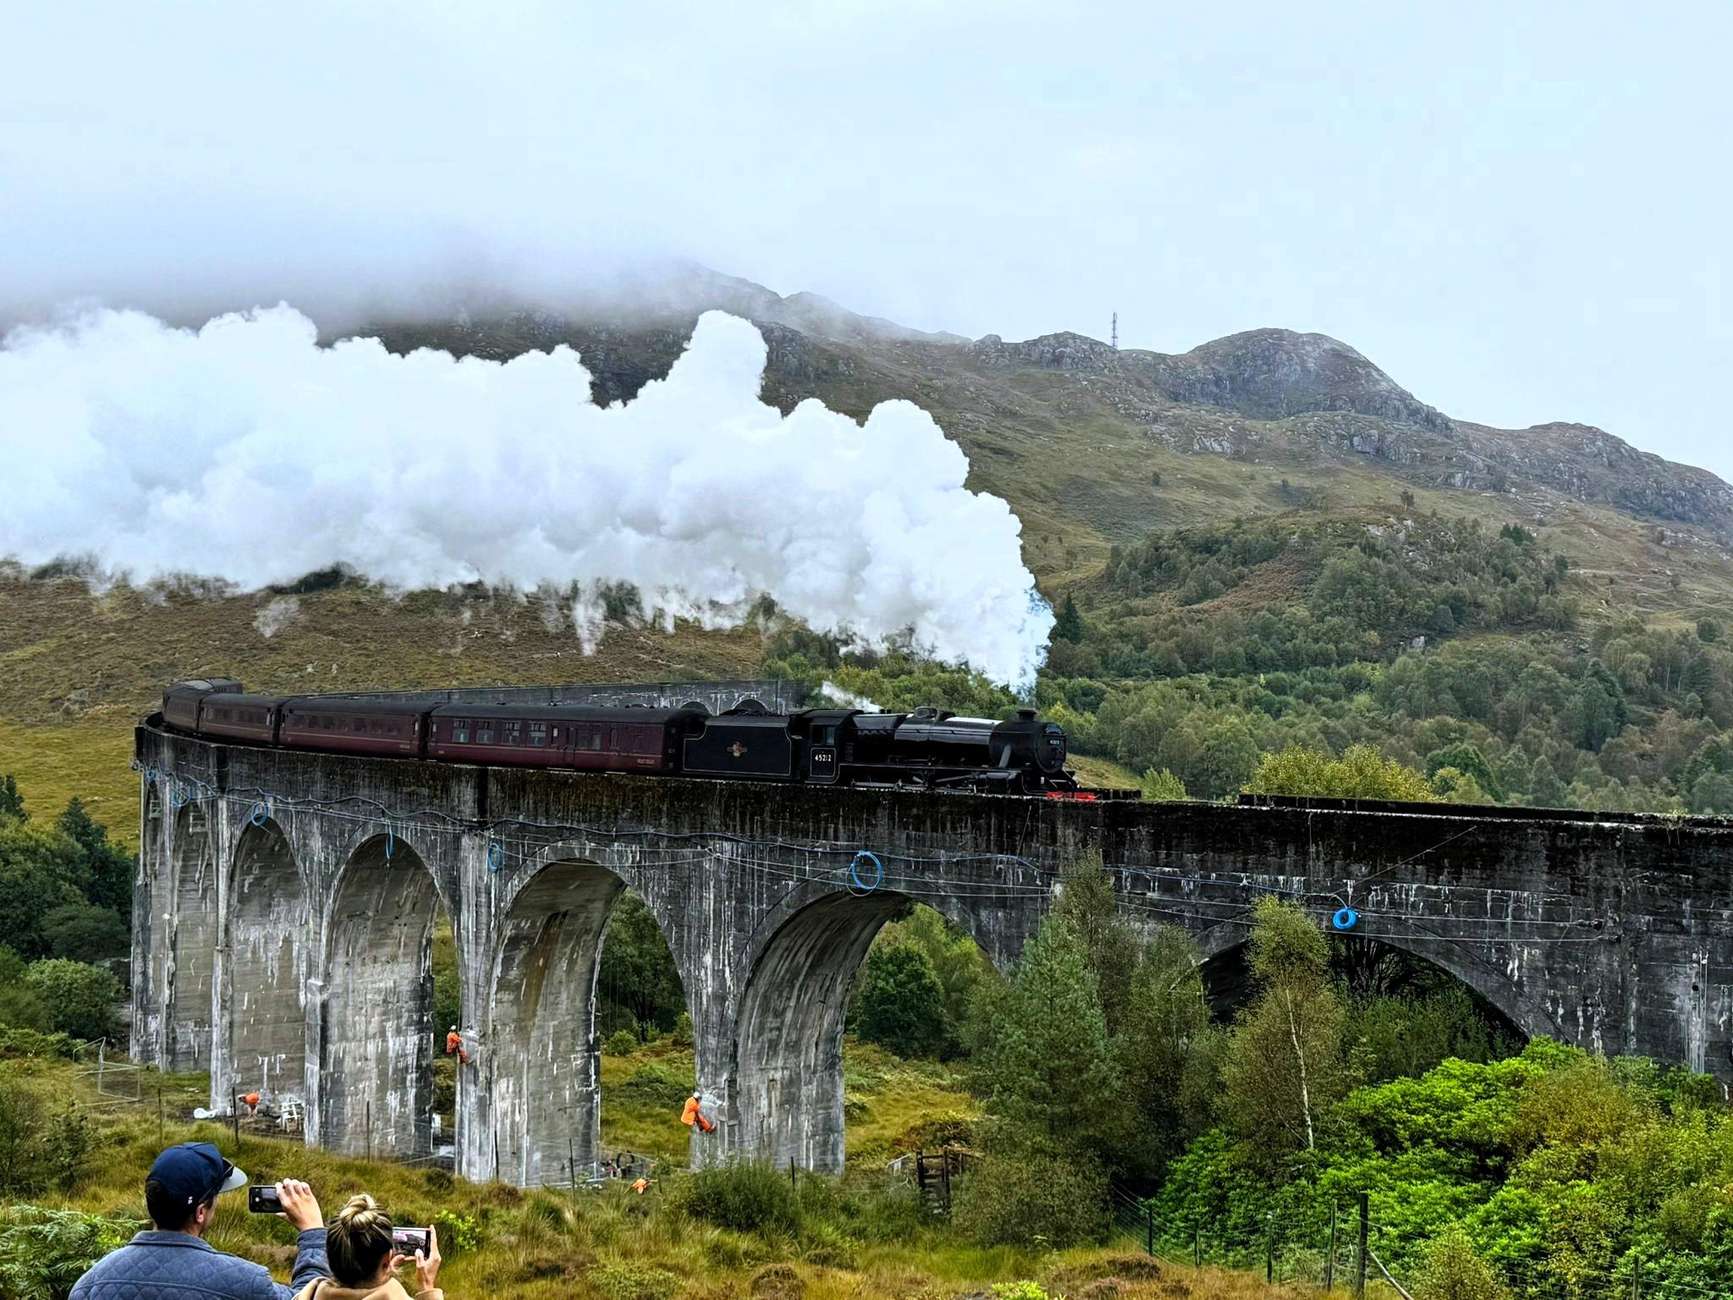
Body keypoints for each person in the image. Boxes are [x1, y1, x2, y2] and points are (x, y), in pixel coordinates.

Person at [70, 1141, 329, 1300]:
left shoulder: (92, 1282)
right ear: (201, 1213)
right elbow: (311, 1297)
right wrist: (313, 1231)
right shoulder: (246, 1282)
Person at [293, 1194, 442, 1300]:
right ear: (386, 1260)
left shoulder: (306, 1295)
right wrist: (427, 1287)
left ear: (330, 1255)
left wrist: (382, 1271)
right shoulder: (395, 1295)